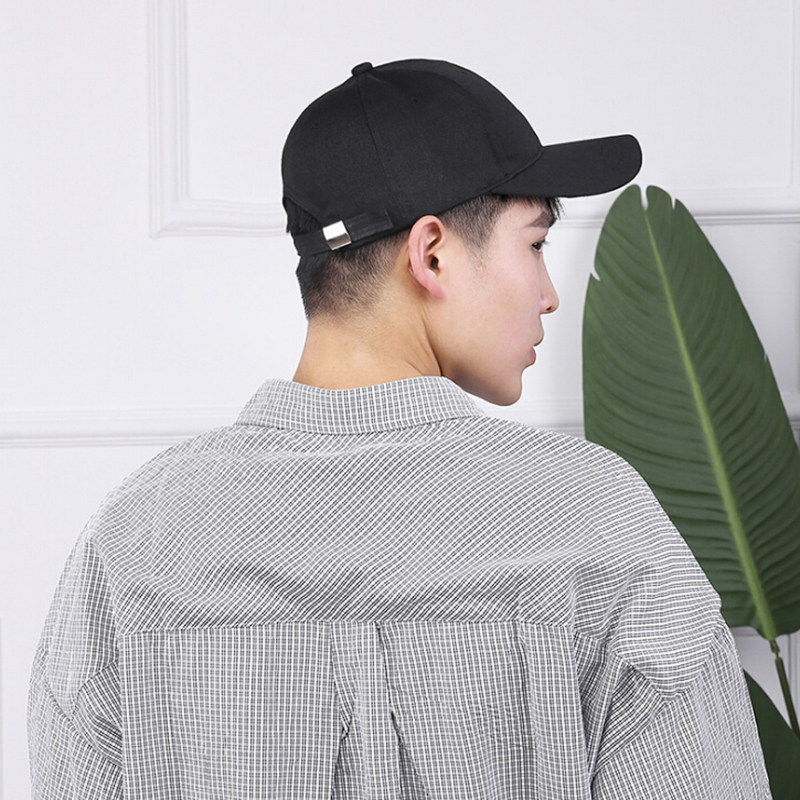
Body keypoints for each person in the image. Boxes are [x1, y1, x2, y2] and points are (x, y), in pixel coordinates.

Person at [28, 59, 770, 799]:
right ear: (432, 254)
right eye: (536, 244)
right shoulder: (596, 519)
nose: (548, 295)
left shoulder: (135, 536)